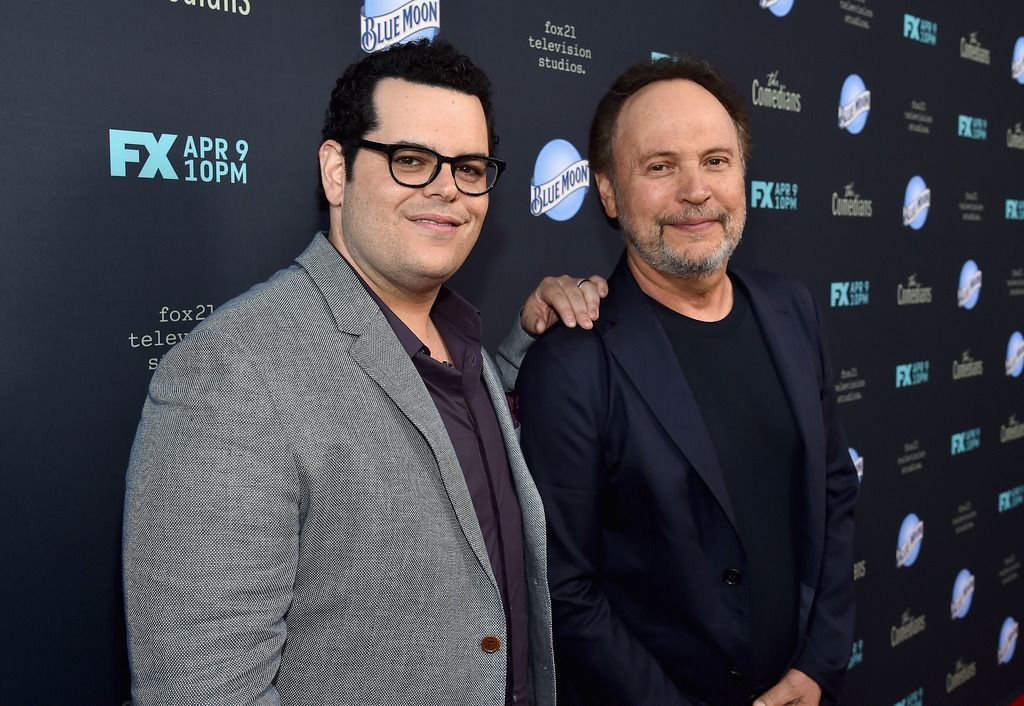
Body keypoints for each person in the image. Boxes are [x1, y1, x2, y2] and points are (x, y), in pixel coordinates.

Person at [122, 39, 604, 706]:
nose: (447, 189)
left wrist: (524, 346)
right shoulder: (232, 373)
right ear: (335, 171)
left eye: (469, 167)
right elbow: (202, 690)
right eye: (411, 160)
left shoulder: (461, 342)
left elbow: (432, 450)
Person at [511, 56, 859, 706]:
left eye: (716, 161)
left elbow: (835, 489)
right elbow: (565, 593)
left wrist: (817, 667)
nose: (696, 190)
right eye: (660, 166)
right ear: (609, 191)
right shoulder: (572, 362)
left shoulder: (794, 311)